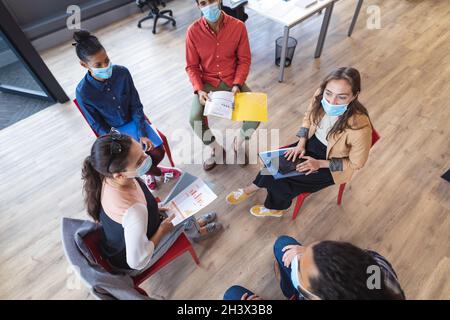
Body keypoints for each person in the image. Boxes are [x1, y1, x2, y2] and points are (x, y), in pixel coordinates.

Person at [226, 67, 373, 217]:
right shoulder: (320, 96)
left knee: (282, 182)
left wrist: (319, 163)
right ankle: (252, 189)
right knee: (273, 164)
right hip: (312, 143)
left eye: (341, 97)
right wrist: (301, 143)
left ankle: (274, 208)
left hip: (332, 165)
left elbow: (356, 164)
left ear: (355, 95)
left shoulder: (360, 127)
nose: (332, 102)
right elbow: (308, 119)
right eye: (329, 93)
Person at [81, 131, 222, 273]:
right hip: (134, 259)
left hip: (130, 236)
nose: (147, 158)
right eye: (139, 161)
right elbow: (136, 261)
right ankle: (196, 232)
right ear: (119, 174)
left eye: (142, 152)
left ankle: (194, 227)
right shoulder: (133, 210)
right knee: (186, 211)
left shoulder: (109, 177)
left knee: (179, 206)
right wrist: (161, 230)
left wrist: (153, 209)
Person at [74, 30, 180, 190]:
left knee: (157, 153)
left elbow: (136, 105)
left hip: (134, 121)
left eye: (107, 60)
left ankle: (150, 173)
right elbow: (98, 125)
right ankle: (157, 172)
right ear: (84, 65)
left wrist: (142, 133)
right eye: (98, 65)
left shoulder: (122, 73)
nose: (105, 67)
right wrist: (122, 142)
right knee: (133, 162)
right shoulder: (83, 92)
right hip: (114, 133)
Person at [186, 0, 260, 171]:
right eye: (203, 2)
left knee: (255, 113)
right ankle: (216, 149)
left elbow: (244, 60)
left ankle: (238, 143)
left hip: (232, 81)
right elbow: (192, 66)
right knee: (194, 118)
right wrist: (199, 89)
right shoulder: (193, 32)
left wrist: (237, 84)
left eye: (212, 0)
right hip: (207, 83)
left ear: (219, 0)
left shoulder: (238, 27)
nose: (209, 5)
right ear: (198, 5)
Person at [224, 237, 405, 300]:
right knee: (284, 245)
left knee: (231, 295)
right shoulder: (376, 266)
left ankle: (291, 292)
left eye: (300, 272)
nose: (298, 259)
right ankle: (291, 291)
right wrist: (305, 252)